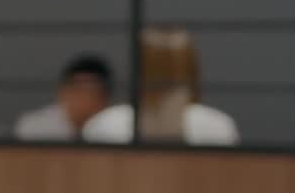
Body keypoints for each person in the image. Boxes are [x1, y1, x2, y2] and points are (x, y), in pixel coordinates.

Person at [82, 28, 238, 146]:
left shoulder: (216, 127)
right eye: (155, 68)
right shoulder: (105, 126)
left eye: (177, 68)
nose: (165, 80)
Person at [13, 54, 113, 141]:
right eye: (77, 90)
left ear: (106, 98)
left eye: (93, 93)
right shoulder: (34, 126)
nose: (85, 99)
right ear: (62, 92)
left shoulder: (114, 127)